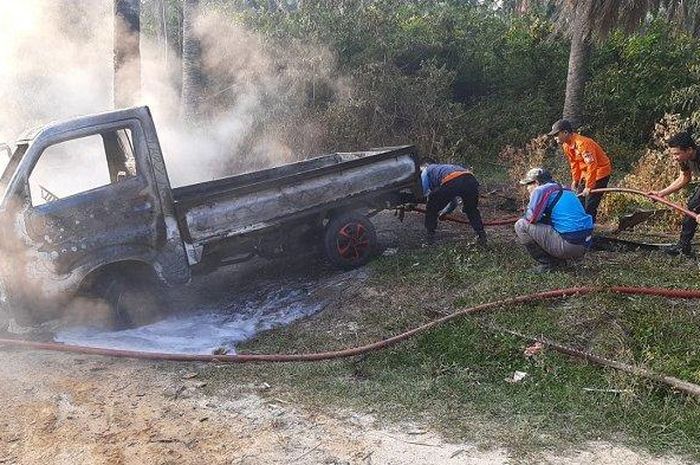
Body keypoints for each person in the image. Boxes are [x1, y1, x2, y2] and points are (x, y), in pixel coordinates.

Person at [514, 167, 594, 273]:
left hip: (569, 246)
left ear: (536, 182)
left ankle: (548, 264)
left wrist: (529, 206)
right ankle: (560, 260)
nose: (528, 188)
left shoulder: (540, 190)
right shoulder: (566, 189)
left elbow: (531, 218)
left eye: (529, 184)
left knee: (520, 225)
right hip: (585, 244)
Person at [548, 119, 612, 222]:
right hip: (586, 174)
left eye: (556, 134)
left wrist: (589, 186)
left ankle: (588, 229)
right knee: (578, 202)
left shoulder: (583, 144)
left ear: (565, 132)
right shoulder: (566, 145)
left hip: (600, 172)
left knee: (590, 205)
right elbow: (574, 164)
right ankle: (578, 225)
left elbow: (592, 164)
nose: (555, 138)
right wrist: (575, 180)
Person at [649, 132, 700, 257]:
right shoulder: (685, 159)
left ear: (689, 150)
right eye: (673, 154)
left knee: (694, 208)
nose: (674, 157)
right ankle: (683, 247)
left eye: (677, 154)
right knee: (692, 207)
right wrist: (661, 193)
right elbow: (684, 177)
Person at [421, 162, 486, 245]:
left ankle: (430, 238)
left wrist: (411, 203)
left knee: (431, 207)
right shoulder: (443, 170)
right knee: (471, 210)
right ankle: (481, 236)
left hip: (453, 181)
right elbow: (452, 200)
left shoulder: (425, 171)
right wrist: (445, 212)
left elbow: (422, 192)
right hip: (470, 180)